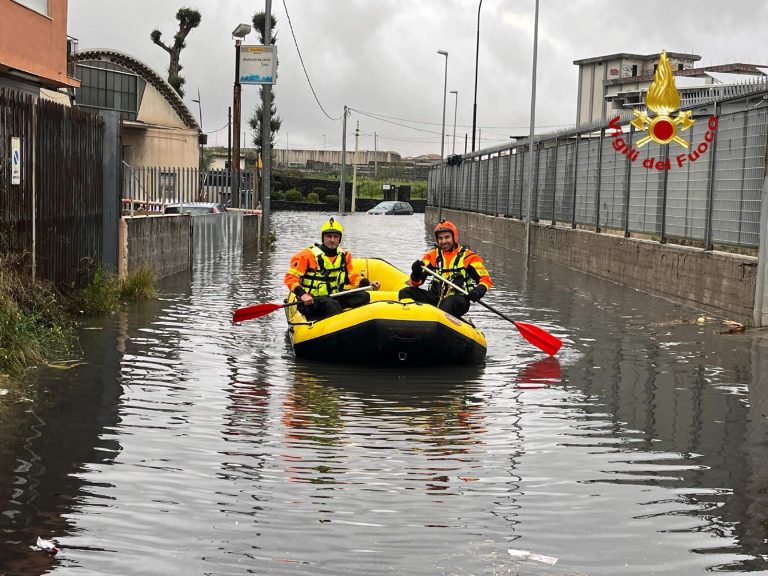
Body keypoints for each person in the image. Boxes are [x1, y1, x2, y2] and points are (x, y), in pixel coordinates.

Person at [284, 217, 379, 321]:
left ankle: (349, 319)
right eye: (329, 236)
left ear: (339, 239)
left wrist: (368, 283)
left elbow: (350, 276)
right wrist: (303, 295)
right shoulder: (307, 255)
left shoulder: (344, 255)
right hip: (312, 300)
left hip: (335, 295)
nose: (332, 240)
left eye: (335, 236)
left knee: (363, 296)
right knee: (331, 305)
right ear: (323, 237)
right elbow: (290, 278)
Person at [398, 219, 492, 319]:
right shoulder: (432, 255)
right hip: (436, 297)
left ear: (454, 237)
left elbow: (486, 280)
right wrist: (416, 273)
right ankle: (410, 318)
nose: (443, 241)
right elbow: (416, 283)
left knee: (447, 303)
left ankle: (441, 324)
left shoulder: (469, 257)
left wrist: (477, 292)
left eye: (447, 237)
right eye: (440, 238)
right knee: (405, 292)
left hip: (459, 299)